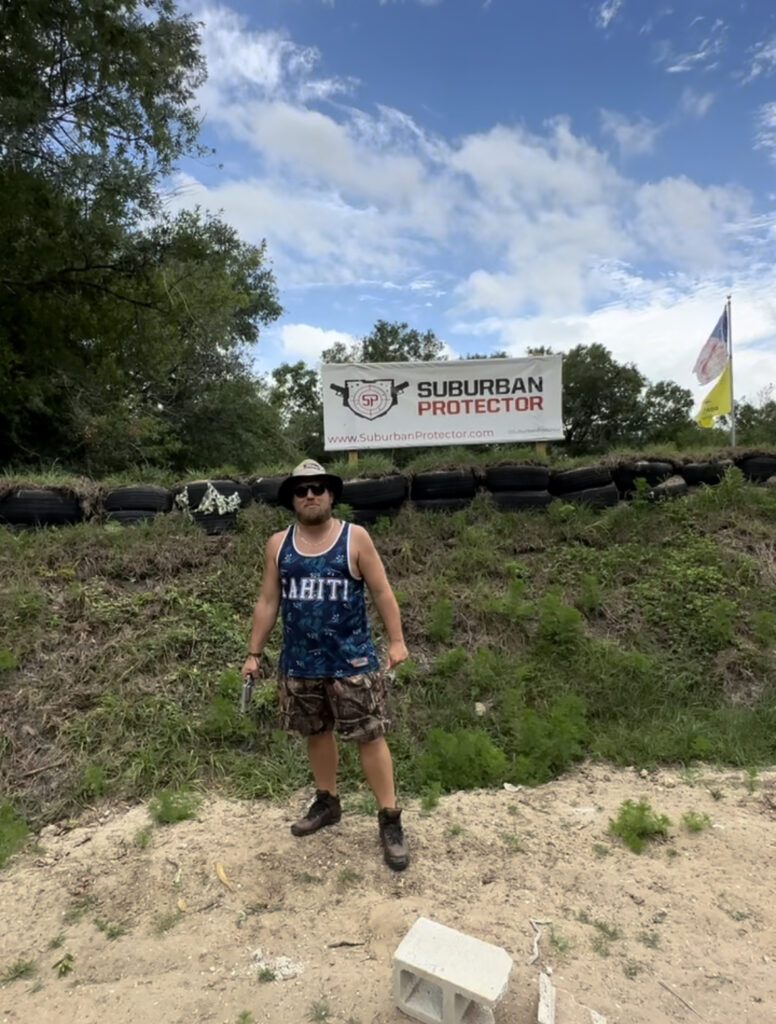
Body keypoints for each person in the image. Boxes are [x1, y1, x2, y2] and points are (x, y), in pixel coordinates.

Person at [241, 458, 410, 871]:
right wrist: (253, 653)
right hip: (300, 662)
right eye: (302, 490)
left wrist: (397, 640)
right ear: (292, 499)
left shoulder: (355, 538)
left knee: (370, 737)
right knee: (316, 734)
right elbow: (268, 601)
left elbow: (383, 592)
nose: (311, 495)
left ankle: (389, 818)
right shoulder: (278, 544)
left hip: (353, 660)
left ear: (331, 495)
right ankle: (327, 802)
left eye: (318, 488)